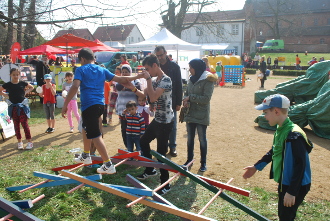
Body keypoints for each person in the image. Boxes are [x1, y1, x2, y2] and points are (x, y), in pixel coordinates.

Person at [61, 48, 142, 174]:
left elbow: (75, 86)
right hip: (100, 105)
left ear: (82, 59)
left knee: (96, 136)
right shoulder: (102, 69)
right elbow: (121, 79)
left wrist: (65, 104)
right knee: (85, 128)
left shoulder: (80, 69)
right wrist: (139, 76)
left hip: (90, 105)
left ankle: (108, 164)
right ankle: (86, 154)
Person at [243, 94, 312, 221]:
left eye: (265, 112)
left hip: (296, 184)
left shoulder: (294, 135)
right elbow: (275, 150)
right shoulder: (281, 129)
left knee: (286, 216)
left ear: (276, 111)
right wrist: (256, 167)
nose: (264, 116)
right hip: (286, 180)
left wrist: (292, 192)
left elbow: (300, 165)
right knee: (284, 214)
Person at [125, 54, 174, 195]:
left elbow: (153, 97)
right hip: (157, 120)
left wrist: (147, 79)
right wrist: (132, 88)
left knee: (161, 154)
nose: (146, 72)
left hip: (166, 122)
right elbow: (144, 96)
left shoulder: (166, 80)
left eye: (147, 68)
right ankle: (150, 169)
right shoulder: (153, 79)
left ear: (155, 65)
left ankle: (165, 184)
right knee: (143, 141)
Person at [182, 59, 216, 172]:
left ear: (196, 68)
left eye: (191, 67)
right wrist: (185, 100)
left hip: (201, 114)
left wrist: (190, 98)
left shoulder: (208, 79)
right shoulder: (191, 79)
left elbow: (206, 99)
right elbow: (186, 94)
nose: (189, 70)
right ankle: (189, 160)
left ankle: (203, 163)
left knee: (202, 139)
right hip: (190, 113)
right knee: (190, 139)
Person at [154, 46, 182, 157]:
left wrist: (179, 102)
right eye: (158, 56)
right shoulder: (156, 66)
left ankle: (173, 146)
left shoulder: (175, 67)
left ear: (166, 53)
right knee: (160, 124)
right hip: (159, 100)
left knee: (173, 125)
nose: (160, 57)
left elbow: (179, 85)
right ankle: (163, 147)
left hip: (172, 100)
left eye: (161, 55)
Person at [0, 68, 34, 150]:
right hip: (13, 107)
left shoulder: (22, 83)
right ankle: (19, 142)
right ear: (10, 75)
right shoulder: (7, 84)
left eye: (17, 74)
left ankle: (29, 142)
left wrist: (24, 93)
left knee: (25, 125)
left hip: (22, 107)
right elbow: (0, 90)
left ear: (19, 75)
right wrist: (6, 96)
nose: (15, 76)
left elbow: (31, 87)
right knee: (16, 125)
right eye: (13, 74)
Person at [116, 64, 141, 147]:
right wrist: (131, 88)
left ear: (130, 72)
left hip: (133, 109)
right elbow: (118, 87)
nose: (124, 73)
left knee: (134, 127)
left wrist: (128, 87)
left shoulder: (136, 81)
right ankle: (128, 146)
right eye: (123, 72)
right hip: (122, 109)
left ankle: (136, 145)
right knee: (124, 128)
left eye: (126, 72)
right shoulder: (119, 80)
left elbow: (139, 87)